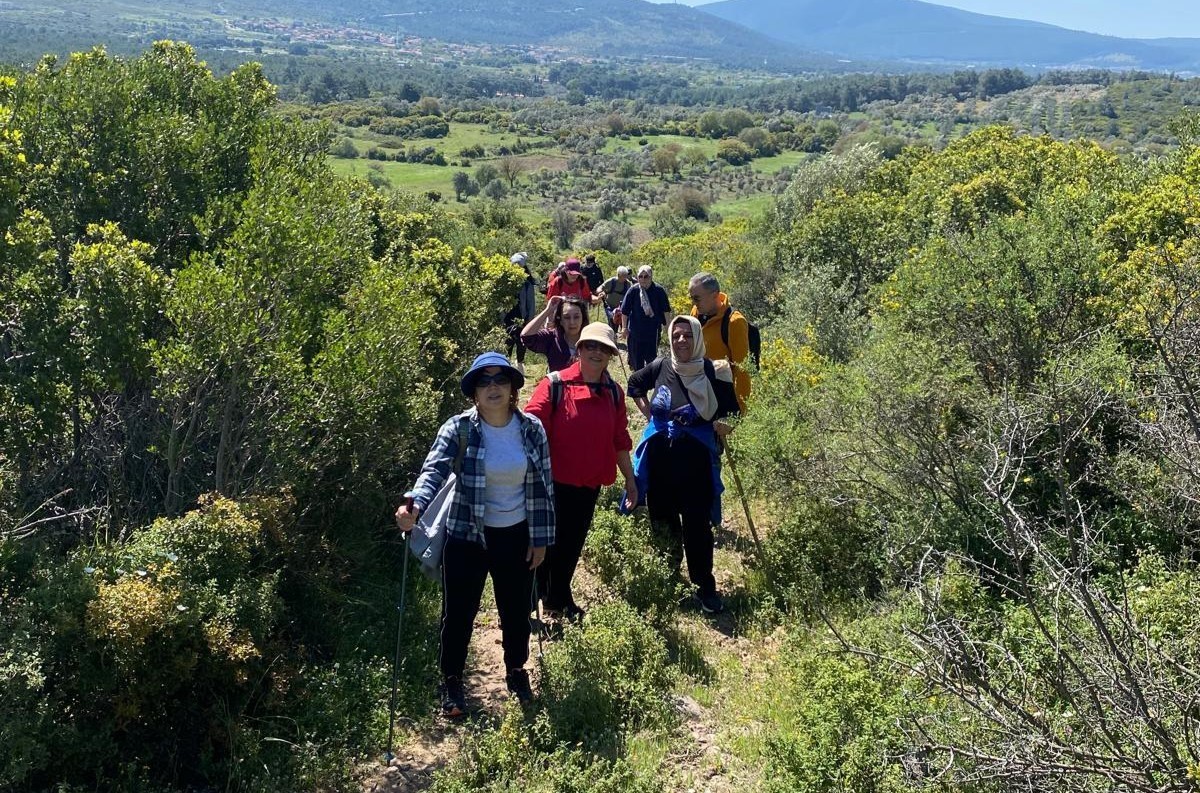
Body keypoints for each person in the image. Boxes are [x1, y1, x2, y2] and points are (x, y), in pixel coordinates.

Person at [395, 352, 555, 717]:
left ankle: (516, 671)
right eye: (484, 381)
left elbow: (544, 487)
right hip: (466, 535)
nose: (494, 387)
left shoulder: (532, 429)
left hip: (515, 536)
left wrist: (541, 539)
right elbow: (432, 470)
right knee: (459, 613)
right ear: (474, 392)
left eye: (501, 379)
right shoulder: (459, 429)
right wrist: (414, 506)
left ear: (514, 387)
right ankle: (451, 680)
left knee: (515, 612)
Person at [625, 316, 739, 615]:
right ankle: (670, 581)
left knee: (697, 526)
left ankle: (704, 587)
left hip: (696, 463)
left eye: (687, 335)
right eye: (676, 335)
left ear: (698, 337)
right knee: (662, 520)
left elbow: (733, 413)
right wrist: (650, 414)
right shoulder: (663, 366)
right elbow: (634, 383)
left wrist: (725, 426)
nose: (681, 341)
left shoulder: (713, 371)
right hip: (662, 459)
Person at [525, 323, 637, 621]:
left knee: (571, 543)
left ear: (612, 355)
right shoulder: (555, 384)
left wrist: (630, 478)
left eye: (604, 348)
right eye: (591, 346)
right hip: (551, 484)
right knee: (542, 544)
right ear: (579, 349)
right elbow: (530, 427)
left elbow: (619, 440)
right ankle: (524, 605)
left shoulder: (614, 392)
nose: (596, 352)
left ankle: (557, 598)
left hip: (588, 485)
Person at [689, 272, 751, 413]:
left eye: (697, 298)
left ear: (715, 294)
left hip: (722, 400)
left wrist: (739, 412)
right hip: (699, 394)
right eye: (691, 298)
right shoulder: (696, 312)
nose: (693, 303)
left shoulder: (734, 322)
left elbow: (742, 370)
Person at [619, 265, 671, 370]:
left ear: (651, 277)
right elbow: (624, 311)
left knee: (652, 360)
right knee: (637, 362)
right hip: (635, 332)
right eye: (640, 276)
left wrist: (668, 328)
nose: (643, 279)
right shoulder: (633, 290)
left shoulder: (659, 290)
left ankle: (650, 381)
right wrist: (624, 328)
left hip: (652, 332)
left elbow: (666, 311)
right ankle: (639, 383)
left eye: (646, 276)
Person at [521, 295, 587, 373]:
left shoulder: (592, 339)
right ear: (560, 320)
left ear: (583, 318)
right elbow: (526, 337)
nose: (572, 322)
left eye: (576, 317)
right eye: (567, 317)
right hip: (559, 384)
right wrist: (548, 310)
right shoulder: (552, 338)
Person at [503, 252, 536, 375]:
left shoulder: (527, 283)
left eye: (518, 265)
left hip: (522, 317)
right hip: (508, 317)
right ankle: (506, 365)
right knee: (508, 342)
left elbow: (530, 304)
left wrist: (530, 320)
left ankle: (520, 365)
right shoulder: (505, 281)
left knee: (521, 342)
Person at [598, 266, 632, 334]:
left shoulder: (628, 284)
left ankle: (623, 336)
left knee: (625, 324)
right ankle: (613, 337)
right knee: (612, 323)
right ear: (618, 275)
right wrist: (601, 292)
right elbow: (600, 288)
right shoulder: (612, 281)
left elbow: (632, 294)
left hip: (622, 308)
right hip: (610, 307)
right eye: (623, 276)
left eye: (626, 275)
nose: (625, 277)